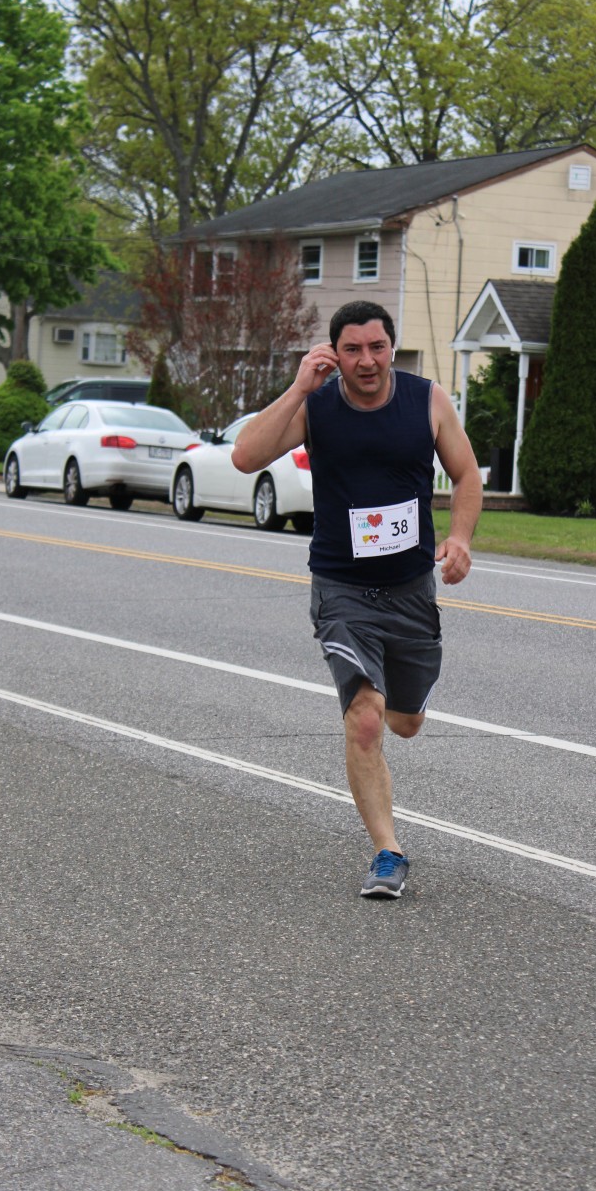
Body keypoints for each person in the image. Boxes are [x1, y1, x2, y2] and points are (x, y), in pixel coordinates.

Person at [232, 300, 481, 898]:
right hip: (341, 589)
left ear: (391, 348)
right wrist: (298, 387)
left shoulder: (426, 401)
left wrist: (460, 538)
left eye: (376, 347)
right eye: (352, 349)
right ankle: (387, 853)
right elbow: (245, 456)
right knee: (366, 719)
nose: (366, 360)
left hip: (410, 590)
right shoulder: (316, 406)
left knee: (405, 722)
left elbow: (467, 476)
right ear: (334, 354)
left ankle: (400, 700)